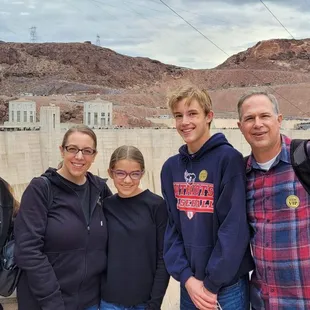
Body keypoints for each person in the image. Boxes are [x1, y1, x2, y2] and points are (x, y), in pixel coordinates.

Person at [161, 85, 254, 310]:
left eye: (192, 113)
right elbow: (173, 227)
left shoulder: (228, 160)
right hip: (190, 287)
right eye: (178, 116)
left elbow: (234, 228)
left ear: (209, 116)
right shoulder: (171, 168)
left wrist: (211, 284)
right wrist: (187, 279)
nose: (185, 122)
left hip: (226, 288)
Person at [14, 125, 112, 310]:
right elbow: (27, 251)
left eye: (87, 151)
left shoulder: (99, 190)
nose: (79, 157)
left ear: (94, 155)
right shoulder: (41, 189)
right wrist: (53, 302)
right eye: (72, 149)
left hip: (91, 302)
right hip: (46, 303)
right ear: (62, 150)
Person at [237, 90, 310, 309]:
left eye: (264, 116)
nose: (257, 124)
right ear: (240, 126)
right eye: (249, 118)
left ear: (279, 120)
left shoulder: (304, 157)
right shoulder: (240, 174)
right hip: (265, 302)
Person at [100, 145, 170, 310]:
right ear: (110, 173)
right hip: (108, 302)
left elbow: (163, 258)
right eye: (120, 173)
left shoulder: (157, 206)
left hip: (144, 302)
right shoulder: (105, 206)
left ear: (142, 173)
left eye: (134, 174)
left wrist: (155, 303)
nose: (127, 180)